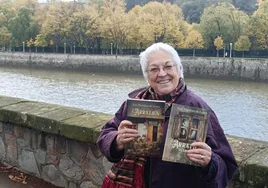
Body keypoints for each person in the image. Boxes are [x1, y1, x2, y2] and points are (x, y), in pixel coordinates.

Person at [97, 42, 238, 188]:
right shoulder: (135, 103)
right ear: (147, 76)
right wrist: (117, 141)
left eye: (168, 66)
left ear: (180, 69)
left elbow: (226, 164)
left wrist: (210, 162)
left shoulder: (197, 106)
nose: (162, 73)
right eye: (154, 69)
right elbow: (106, 134)